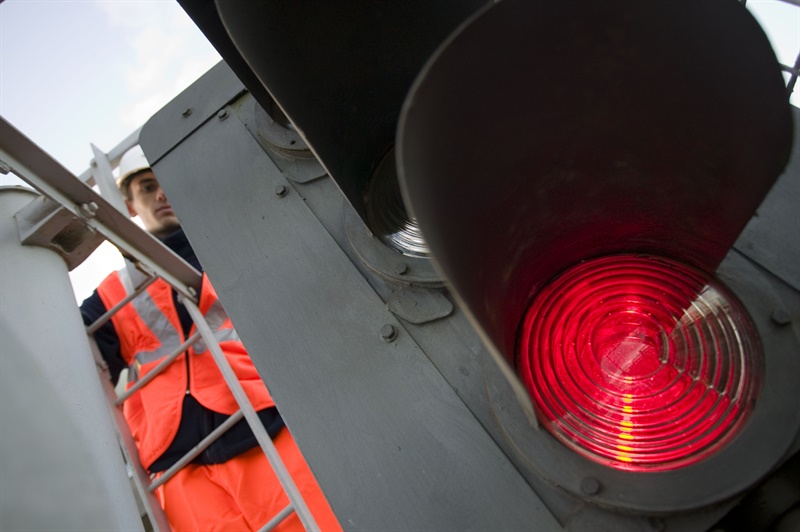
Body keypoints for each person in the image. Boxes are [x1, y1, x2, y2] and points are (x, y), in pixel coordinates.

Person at [80, 145, 340, 532]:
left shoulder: (234, 247)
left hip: (261, 424)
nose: (162, 194)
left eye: (168, 183)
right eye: (149, 187)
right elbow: (76, 359)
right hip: (177, 465)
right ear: (131, 204)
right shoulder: (113, 294)